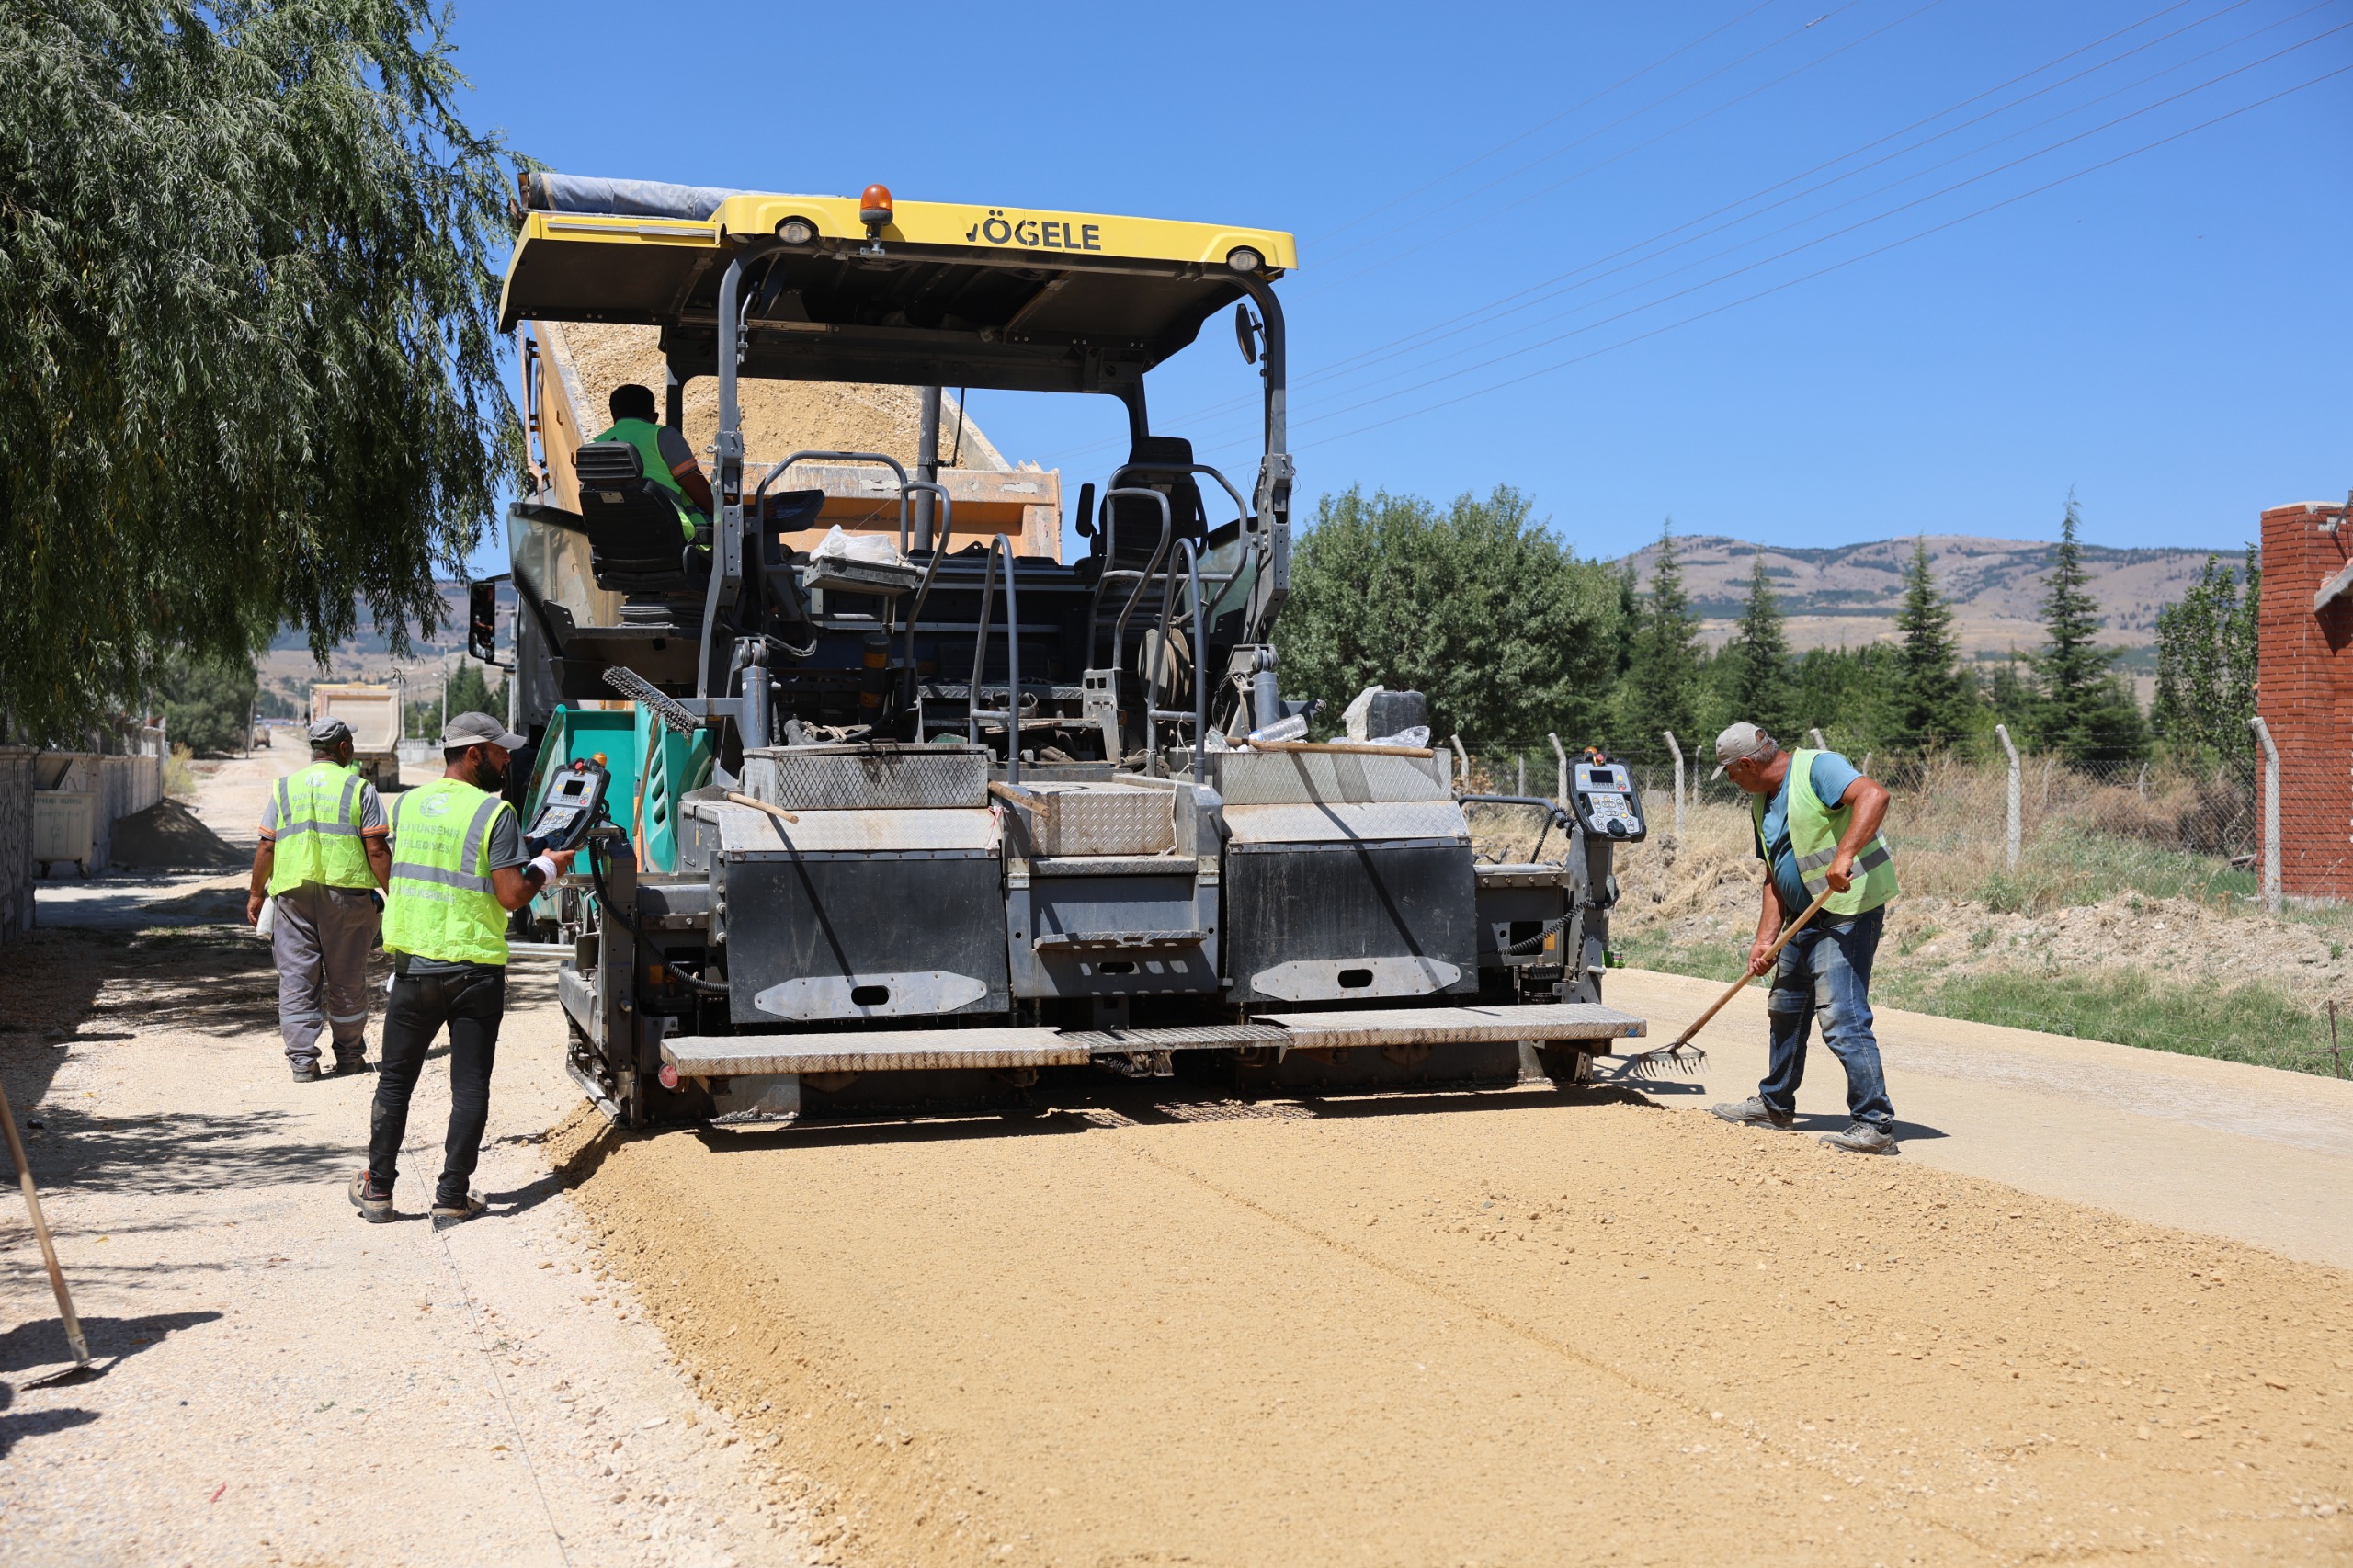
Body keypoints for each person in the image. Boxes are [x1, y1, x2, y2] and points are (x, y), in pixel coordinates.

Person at [349, 712, 574, 1228]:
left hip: (414, 968)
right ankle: (451, 1197)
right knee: (469, 1088)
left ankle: (378, 1191)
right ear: (474, 755)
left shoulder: (406, 805)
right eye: (500, 752)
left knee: (394, 1084)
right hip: (473, 972)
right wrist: (547, 865)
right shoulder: (495, 814)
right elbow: (512, 893)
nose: (507, 759)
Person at [1707, 722, 1902, 1155]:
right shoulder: (1762, 801)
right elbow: (1774, 874)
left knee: (1842, 1016)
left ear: (1745, 764)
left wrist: (1845, 855)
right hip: (1803, 915)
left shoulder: (1817, 768)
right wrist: (1765, 939)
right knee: (1786, 1008)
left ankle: (1875, 1123)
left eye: (1732, 774)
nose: (1733, 783)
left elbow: (1875, 795)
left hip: (1848, 911)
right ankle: (1775, 1105)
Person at [245, 718, 392, 1082]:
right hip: (345, 895)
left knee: (296, 978)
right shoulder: (359, 789)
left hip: (292, 896)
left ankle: (302, 1062)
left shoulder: (285, 788)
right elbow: (375, 849)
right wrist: (397, 893)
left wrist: (255, 892)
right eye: (351, 744)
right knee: (346, 978)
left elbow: (267, 844)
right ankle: (349, 1056)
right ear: (343, 748)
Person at [594, 382, 713, 540]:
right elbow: (701, 493)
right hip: (673, 535)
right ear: (654, 418)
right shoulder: (662, 436)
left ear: (614, 417)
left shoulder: (593, 445)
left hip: (613, 540)